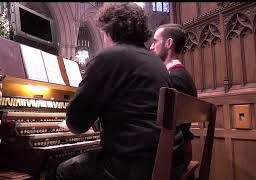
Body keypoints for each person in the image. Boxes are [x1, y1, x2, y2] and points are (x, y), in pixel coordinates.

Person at [46, 3, 185, 180]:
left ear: (108, 30)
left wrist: (72, 123)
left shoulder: (108, 58)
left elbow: (77, 124)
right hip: (168, 161)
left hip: (134, 166)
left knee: (62, 171)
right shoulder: (156, 63)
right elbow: (133, 109)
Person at [150, 23, 198, 170]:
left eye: (155, 41)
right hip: (179, 150)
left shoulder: (172, 78)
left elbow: (163, 128)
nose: (151, 47)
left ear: (168, 43)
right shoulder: (181, 74)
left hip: (173, 156)